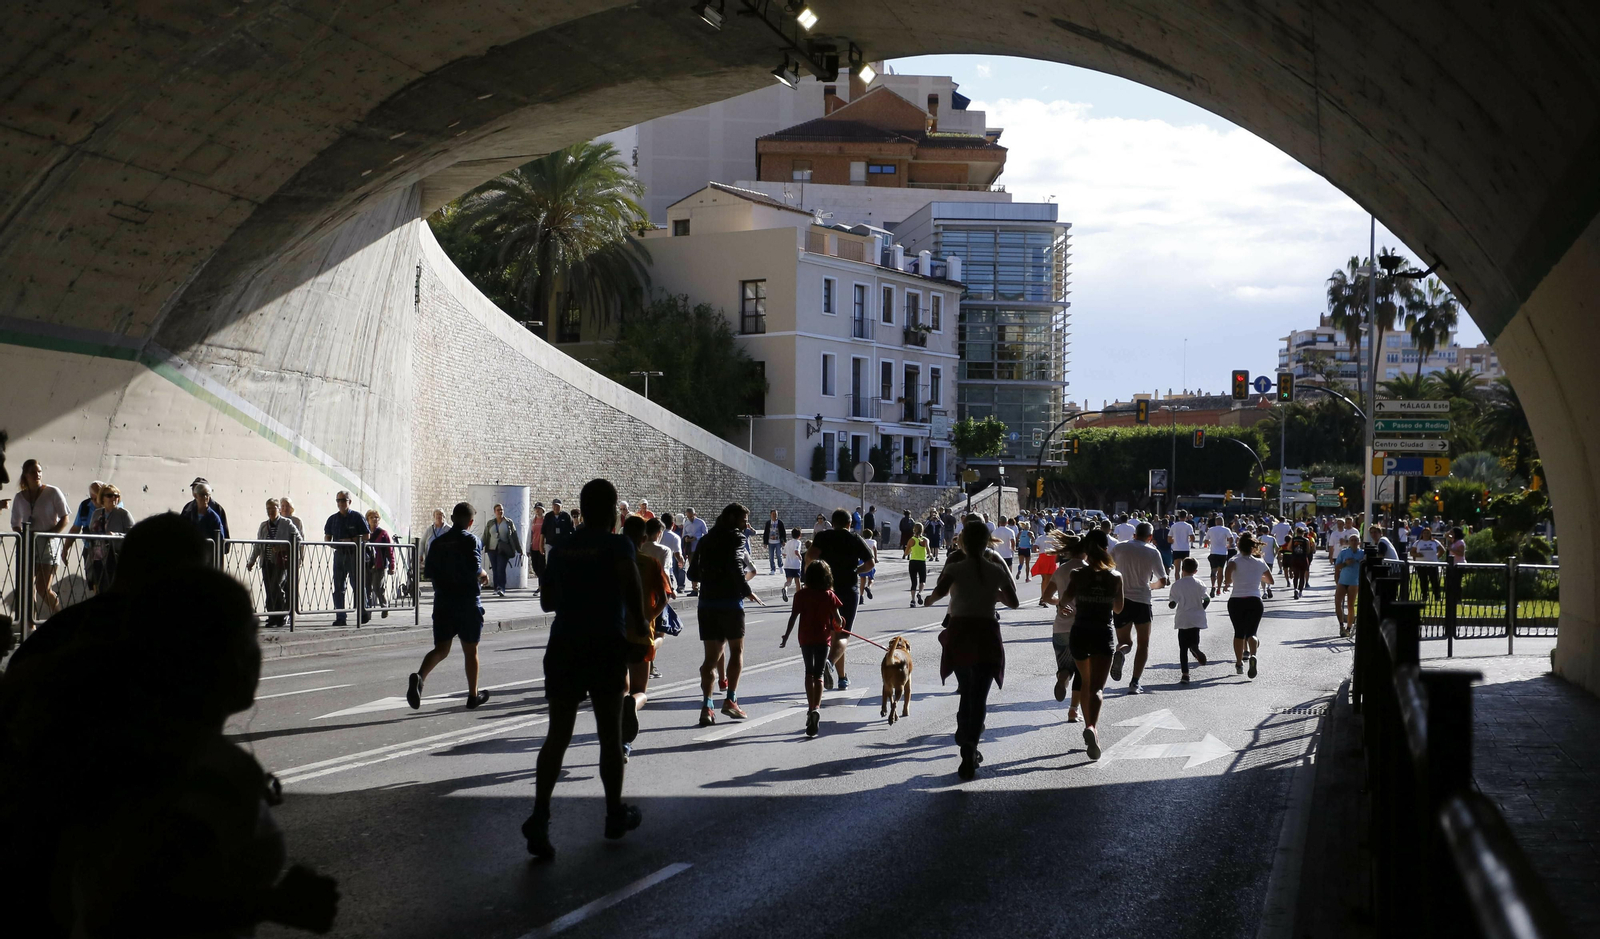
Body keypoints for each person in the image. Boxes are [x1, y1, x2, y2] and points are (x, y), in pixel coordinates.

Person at [522, 480, 648, 859]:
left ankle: (540, 817)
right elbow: (634, 595)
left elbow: (547, 603)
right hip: (605, 647)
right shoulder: (619, 545)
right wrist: (640, 627)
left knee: (556, 737)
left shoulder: (562, 549)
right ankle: (613, 815)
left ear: (582, 508)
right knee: (610, 736)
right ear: (613, 513)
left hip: (564, 646)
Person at [926, 519, 1020, 780]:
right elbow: (1014, 602)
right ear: (988, 541)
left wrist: (927, 600)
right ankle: (971, 745)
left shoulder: (955, 568)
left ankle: (963, 729)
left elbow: (938, 593)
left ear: (963, 542)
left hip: (960, 632)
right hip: (987, 632)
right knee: (979, 695)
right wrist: (993, 594)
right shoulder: (997, 569)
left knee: (966, 688)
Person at [407, 502, 491, 711]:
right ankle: (473, 696)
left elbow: (430, 573)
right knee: (470, 651)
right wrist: (483, 574)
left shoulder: (437, 543)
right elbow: (474, 568)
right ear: (471, 522)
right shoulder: (472, 540)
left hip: (443, 602)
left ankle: (420, 677)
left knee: (441, 649)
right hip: (467, 603)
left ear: (452, 519)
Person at [689, 503, 762, 725]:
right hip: (730, 602)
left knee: (710, 659)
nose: (746, 525)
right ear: (732, 519)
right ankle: (731, 700)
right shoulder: (737, 538)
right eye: (743, 520)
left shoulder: (706, 539)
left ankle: (707, 706)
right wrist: (746, 590)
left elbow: (693, 572)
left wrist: (711, 578)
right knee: (736, 650)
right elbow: (735, 565)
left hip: (707, 603)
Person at [1063, 529, 1124, 761]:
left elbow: (1065, 600)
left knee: (1085, 683)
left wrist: (1064, 606)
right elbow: (1118, 609)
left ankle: (1091, 730)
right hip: (1102, 632)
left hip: (1079, 631)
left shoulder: (1078, 574)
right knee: (1097, 688)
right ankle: (1092, 727)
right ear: (1106, 549)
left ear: (1086, 551)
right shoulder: (1115, 576)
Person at [805, 509, 876, 692]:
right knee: (843, 634)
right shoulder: (854, 538)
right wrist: (856, 571)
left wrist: (814, 575)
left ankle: (842, 677)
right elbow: (870, 563)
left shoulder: (822, 537)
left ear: (833, 522)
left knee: (832, 633)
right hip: (848, 591)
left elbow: (810, 556)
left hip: (826, 590)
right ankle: (829, 663)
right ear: (849, 523)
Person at [622, 515, 670, 761]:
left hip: (615, 634)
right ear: (643, 539)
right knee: (640, 692)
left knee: (620, 690)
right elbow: (664, 598)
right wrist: (648, 616)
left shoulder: (612, 563)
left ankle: (619, 743)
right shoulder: (650, 563)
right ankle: (626, 741)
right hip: (642, 634)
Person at [779, 559, 844, 738]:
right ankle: (816, 708)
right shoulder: (829, 595)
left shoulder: (801, 595)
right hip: (823, 638)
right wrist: (838, 624)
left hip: (806, 638)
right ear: (827, 577)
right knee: (819, 674)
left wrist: (786, 636)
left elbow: (793, 617)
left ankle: (810, 708)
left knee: (808, 672)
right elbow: (838, 620)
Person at [1108, 522, 1168, 694]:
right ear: (1150, 537)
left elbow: (1108, 568)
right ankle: (1134, 682)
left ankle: (1120, 652)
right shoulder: (1152, 551)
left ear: (1134, 534)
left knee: (1125, 642)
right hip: (1142, 600)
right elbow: (1162, 580)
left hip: (1121, 600)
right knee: (1143, 643)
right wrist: (1150, 586)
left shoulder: (1120, 548)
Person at [1040, 532, 1086, 721]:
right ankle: (1073, 710)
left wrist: (1060, 602)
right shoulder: (1089, 570)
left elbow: (1046, 597)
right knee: (1083, 671)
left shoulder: (1060, 571)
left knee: (1066, 664)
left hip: (1060, 626)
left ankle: (1063, 676)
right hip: (1083, 626)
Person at [1224, 532, 1274, 678]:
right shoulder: (1259, 562)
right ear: (1253, 547)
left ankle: (1239, 663)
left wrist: (1229, 581)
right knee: (1252, 633)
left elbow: (1228, 577)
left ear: (1238, 546)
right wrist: (1258, 576)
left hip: (1237, 600)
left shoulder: (1233, 561)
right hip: (1254, 600)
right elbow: (1270, 581)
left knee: (1239, 633)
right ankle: (1253, 655)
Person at [245, 498, 301, 627]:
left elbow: (298, 539)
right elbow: (258, 546)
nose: (270, 511)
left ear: (278, 509)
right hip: (266, 562)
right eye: (268, 509)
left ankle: (281, 615)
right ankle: (272, 616)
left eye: (272, 508)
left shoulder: (287, 524)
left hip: (281, 563)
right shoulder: (264, 526)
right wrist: (251, 561)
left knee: (276, 587)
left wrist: (284, 547)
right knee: (269, 589)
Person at [323, 491, 370, 625]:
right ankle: (340, 617)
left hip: (354, 554)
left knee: (357, 585)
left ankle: (363, 612)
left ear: (349, 501)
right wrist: (333, 543)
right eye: (338, 500)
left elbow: (366, 536)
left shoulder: (357, 517)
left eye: (343, 500)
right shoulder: (333, 519)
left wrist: (350, 540)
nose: (341, 503)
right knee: (338, 587)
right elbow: (327, 537)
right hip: (339, 555)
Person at [1168, 557, 1211, 683]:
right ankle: (1195, 649)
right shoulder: (1200, 583)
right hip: (1196, 617)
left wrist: (1172, 604)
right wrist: (1202, 608)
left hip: (1183, 619)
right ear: (1196, 571)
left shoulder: (1177, 585)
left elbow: (1173, 602)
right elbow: (1207, 599)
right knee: (1194, 640)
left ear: (1182, 570)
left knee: (1182, 648)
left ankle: (1185, 674)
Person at [85, 484, 133, 594]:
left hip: (115, 558)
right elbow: (92, 530)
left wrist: (115, 535)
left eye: (116, 495)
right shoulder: (96, 513)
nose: (113, 498)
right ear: (102, 498)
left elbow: (132, 535)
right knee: (98, 588)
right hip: (97, 557)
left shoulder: (123, 514)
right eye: (110, 495)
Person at [480, 503, 522, 597]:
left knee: (501, 569)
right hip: (492, 549)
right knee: (495, 569)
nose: (500, 511)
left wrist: (519, 549)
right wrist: (480, 546)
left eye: (502, 510)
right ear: (495, 512)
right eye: (498, 510)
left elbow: (514, 536)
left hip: (503, 549)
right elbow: (486, 536)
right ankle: (496, 588)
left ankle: (501, 588)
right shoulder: (490, 523)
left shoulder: (508, 522)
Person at [364, 509, 395, 617]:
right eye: (371, 517)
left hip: (379, 565)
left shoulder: (383, 534)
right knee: (367, 589)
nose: (374, 519)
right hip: (366, 565)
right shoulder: (365, 533)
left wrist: (392, 565)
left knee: (377, 588)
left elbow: (389, 550)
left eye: (376, 517)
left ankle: (384, 605)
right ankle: (368, 612)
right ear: (367, 519)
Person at [1334, 533, 1363, 637]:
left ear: (1359, 542)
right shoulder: (1344, 552)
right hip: (1343, 581)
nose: (1354, 542)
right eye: (1352, 540)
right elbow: (1337, 566)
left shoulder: (1362, 553)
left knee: (1350, 605)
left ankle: (1349, 628)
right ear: (1349, 542)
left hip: (1354, 582)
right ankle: (1341, 625)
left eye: (1356, 540)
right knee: (1337, 602)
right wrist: (1345, 564)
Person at [1204, 514, 1234, 597]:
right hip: (1222, 553)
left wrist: (1210, 543)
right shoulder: (1226, 529)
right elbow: (1231, 539)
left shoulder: (1211, 529)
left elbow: (1206, 541)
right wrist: (1229, 545)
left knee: (1213, 571)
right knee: (1221, 571)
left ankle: (1213, 585)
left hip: (1213, 552)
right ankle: (1218, 588)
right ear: (1223, 522)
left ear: (1216, 522)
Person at [680, 507, 708, 596]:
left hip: (699, 549)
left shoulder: (700, 522)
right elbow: (683, 534)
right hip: (691, 549)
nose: (690, 518)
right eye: (688, 517)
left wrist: (696, 538)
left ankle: (704, 587)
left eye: (691, 516)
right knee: (693, 568)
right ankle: (695, 589)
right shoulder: (686, 523)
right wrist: (686, 539)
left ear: (695, 514)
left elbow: (706, 534)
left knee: (702, 567)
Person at [658, 510, 686, 593]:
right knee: (667, 594)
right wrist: (681, 561)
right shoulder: (675, 537)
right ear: (672, 524)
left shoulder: (656, 535)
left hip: (654, 568)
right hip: (667, 569)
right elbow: (677, 554)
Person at [1285, 523, 1314, 599]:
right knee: (1302, 576)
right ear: (1303, 533)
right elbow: (1308, 550)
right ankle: (1300, 591)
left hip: (1295, 558)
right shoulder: (1306, 540)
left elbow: (1288, 548)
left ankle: (1295, 589)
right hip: (1303, 558)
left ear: (1296, 532)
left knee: (1296, 575)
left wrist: (1294, 551)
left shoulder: (1293, 539)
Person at [906, 522, 930, 606]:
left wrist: (911, 550)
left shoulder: (911, 540)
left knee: (913, 582)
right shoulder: (925, 540)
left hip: (913, 562)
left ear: (914, 530)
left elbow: (906, 553)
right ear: (922, 530)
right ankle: (919, 593)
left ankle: (912, 600)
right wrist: (930, 555)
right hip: (921, 562)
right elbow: (928, 551)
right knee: (922, 581)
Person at [781, 526, 804, 602]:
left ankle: (785, 588)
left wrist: (789, 554)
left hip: (787, 565)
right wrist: (800, 557)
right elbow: (796, 551)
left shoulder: (788, 543)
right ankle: (799, 596)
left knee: (789, 581)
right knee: (797, 581)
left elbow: (784, 554)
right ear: (799, 535)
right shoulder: (798, 542)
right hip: (795, 565)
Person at [858, 527, 879, 604]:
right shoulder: (873, 541)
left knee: (862, 579)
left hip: (861, 561)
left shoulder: (862, 541)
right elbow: (875, 549)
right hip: (870, 560)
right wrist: (876, 558)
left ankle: (861, 596)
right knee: (871, 578)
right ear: (871, 535)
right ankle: (869, 587)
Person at [762, 509, 787, 573]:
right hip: (770, 542)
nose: (774, 515)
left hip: (778, 541)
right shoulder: (768, 523)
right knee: (771, 556)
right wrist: (765, 543)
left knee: (779, 555)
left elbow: (783, 532)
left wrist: (784, 540)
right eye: (773, 514)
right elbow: (765, 533)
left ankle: (780, 566)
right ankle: (773, 569)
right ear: (770, 515)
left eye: (775, 514)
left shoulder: (780, 522)